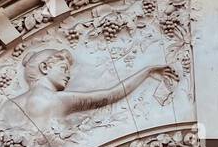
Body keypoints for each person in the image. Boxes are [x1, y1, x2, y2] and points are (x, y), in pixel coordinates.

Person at [11, 48, 176, 130]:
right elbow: (111, 95)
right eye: (64, 68)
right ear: (45, 67)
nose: (68, 76)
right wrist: (147, 71)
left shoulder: (10, 105)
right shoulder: (57, 99)